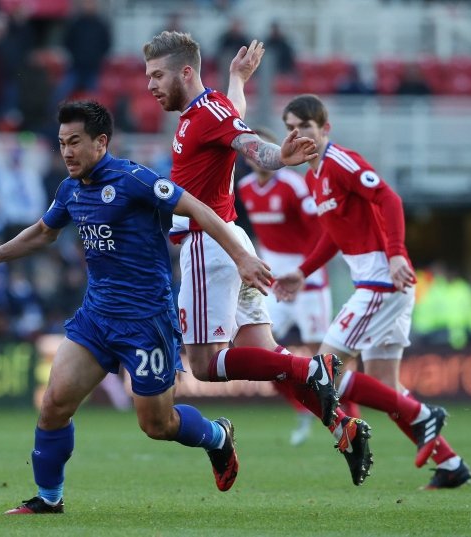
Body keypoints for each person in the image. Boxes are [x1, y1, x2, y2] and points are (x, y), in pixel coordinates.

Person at [0, 101, 309, 514]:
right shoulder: (71, 188)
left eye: (75, 142)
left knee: (157, 425)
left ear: (100, 141)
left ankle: (217, 437)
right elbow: (43, 232)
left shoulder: (133, 180)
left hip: (146, 323)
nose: (67, 152)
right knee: (54, 403)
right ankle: (49, 498)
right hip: (96, 317)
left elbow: (197, 207)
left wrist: (240, 255)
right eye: (61, 143)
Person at [143, 31, 372, 487]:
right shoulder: (204, 111)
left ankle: (313, 367)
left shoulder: (205, 114)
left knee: (207, 365)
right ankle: (341, 426)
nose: (150, 84)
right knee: (268, 358)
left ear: (185, 72)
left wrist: (278, 157)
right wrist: (239, 81)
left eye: (157, 74)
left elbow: (251, 145)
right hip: (232, 244)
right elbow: (233, 123)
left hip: (211, 246)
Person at [273, 94, 471, 489]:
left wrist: (397, 254)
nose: (298, 134)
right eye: (291, 128)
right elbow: (334, 232)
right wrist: (303, 270)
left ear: (325, 128)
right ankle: (450, 463)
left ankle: (422, 414)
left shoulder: (340, 162)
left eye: (305, 126)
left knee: (324, 371)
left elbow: (388, 197)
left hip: (382, 282)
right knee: (386, 387)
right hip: (383, 286)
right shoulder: (313, 176)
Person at [236, 126, 334, 446]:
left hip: (307, 280)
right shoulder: (246, 188)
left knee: (327, 355)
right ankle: (303, 409)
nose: (259, 158)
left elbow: (321, 229)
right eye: (254, 152)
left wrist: (308, 269)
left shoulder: (293, 184)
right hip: (273, 281)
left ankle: (346, 418)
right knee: (258, 352)